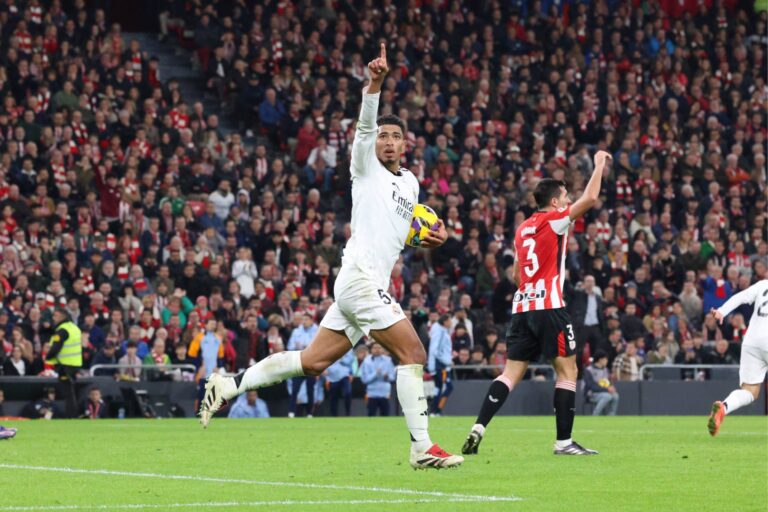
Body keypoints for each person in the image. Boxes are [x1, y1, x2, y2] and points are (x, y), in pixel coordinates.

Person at [199, 45, 463, 468]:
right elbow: (363, 127)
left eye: (396, 136)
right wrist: (374, 86)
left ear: (406, 144)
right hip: (360, 280)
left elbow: (397, 230)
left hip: (362, 284)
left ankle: (228, 385)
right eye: (384, 135)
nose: (389, 141)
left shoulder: (410, 185)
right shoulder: (364, 166)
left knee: (312, 362)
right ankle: (421, 448)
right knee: (412, 354)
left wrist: (429, 237)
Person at [462, 151, 612, 456]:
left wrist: (529, 292)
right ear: (555, 202)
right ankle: (564, 443)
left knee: (509, 374)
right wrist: (598, 165)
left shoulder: (522, 228)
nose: (569, 200)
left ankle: (479, 426)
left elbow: (517, 272)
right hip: (549, 307)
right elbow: (592, 198)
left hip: (522, 309)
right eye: (566, 196)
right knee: (567, 371)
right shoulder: (554, 221)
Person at [707, 279, 768, 436]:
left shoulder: (763, 285)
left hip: (752, 342)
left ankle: (724, 407)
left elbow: (741, 296)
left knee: (749, 391)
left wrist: (721, 311)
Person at [45, 308, 83, 418]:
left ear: (63, 316)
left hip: (64, 365)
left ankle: (71, 415)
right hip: (75, 364)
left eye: (55, 315)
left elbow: (56, 347)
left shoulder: (62, 330)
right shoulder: (74, 328)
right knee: (72, 391)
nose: (53, 318)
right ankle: (74, 414)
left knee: (68, 393)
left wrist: (47, 356)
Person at [287, 313, 318, 418]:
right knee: (295, 389)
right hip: (299, 364)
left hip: (310, 365)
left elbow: (318, 347)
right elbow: (289, 346)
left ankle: (310, 413)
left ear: (311, 321)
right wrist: (295, 346)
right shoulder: (296, 331)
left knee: (310, 389)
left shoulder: (317, 331)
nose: (304, 321)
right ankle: (291, 412)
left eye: (306, 319)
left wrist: (307, 347)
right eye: (303, 319)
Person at [360, 342, 396, 417]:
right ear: (371, 350)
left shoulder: (388, 360)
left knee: (385, 416)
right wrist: (375, 374)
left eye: (379, 348)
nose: (377, 350)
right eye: (375, 348)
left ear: (382, 349)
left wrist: (387, 377)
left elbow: (393, 377)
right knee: (371, 415)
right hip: (371, 394)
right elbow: (365, 379)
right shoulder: (366, 361)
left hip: (385, 394)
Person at [428, 314, 454, 415]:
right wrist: (448, 361)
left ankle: (433, 411)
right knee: (448, 387)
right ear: (445, 322)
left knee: (438, 388)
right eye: (450, 321)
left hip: (437, 365)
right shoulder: (441, 333)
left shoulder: (440, 331)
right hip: (440, 366)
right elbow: (435, 351)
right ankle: (437, 410)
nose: (451, 323)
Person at [583, 350, 620, 416]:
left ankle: (611, 415)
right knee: (607, 396)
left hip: (604, 391)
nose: (607, 361)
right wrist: (607, 389)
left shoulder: (605, 370)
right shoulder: (589, 370)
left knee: (615, 396)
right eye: (606, 359)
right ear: (600, 360)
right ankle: (595, 415)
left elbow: (606, 382)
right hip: (591, 393)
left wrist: (611, 386)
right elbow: (591, 386)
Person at [324, 349, 354, 416]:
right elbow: (324, 359)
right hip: (332, 376)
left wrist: (340, 357)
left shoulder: (348, 347)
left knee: (348, 393)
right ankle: (334, 415)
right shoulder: (328, 347)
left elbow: (350, 361)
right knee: (333, 397)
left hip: (345, 375)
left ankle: (348, 413)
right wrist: (324, 369)